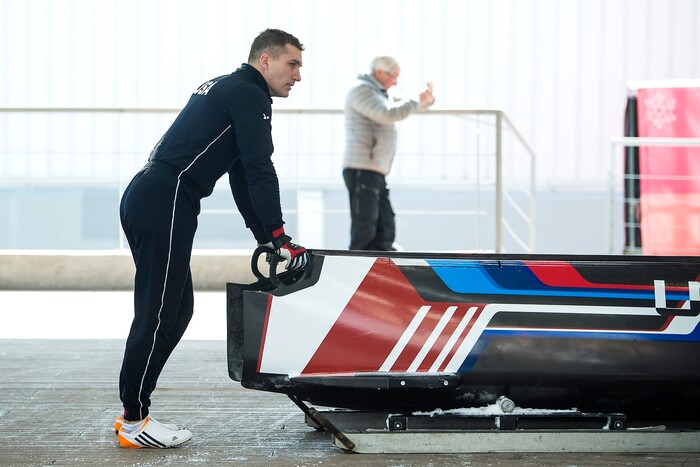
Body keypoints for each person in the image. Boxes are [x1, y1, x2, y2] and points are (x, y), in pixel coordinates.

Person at [114, 28, 309, 449]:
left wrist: (268, 236)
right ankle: (133, 419)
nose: (297, 76)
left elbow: (240, 174)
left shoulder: (228, 86)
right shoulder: (249, 94)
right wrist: (278, 233)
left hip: (153, 194)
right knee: (158, 311)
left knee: (178, 308)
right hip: (165, 198)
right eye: (291, 64)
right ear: (265, 61)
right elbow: (260, 167)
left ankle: (136, 413)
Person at [342, 55, 435, 251]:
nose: (396, 82)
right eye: (393, 76)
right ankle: (356, 265)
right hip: (362, 168)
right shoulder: (362, 92)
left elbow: (407, 106)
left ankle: (382, 264)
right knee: (365, 225)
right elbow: (388, 114)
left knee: (385, 225)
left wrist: (424, 101)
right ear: (379, 72)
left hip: (374, 168)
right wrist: (414, 102)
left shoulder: (380, 94)